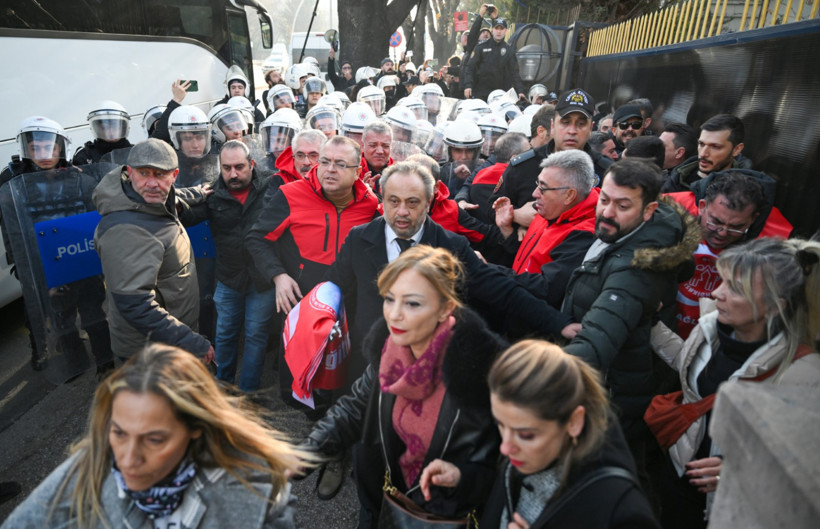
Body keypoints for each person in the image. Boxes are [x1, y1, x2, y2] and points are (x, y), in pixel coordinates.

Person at [304, 245, 506, 528]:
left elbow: (503, 464)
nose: (394, 315)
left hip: (445, 514)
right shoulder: (388, 350)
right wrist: (305, 452)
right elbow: (355, 407)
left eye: (412, 304)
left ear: (445, 309)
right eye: (389, 299)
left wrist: (461, 477)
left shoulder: (485, 374)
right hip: (387, 502)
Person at [325, 161, 576, 387]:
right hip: (366, 365)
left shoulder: (450, 245)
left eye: (412, 202)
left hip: (427, 370)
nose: (402, 211)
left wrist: (559, 323)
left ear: (428, 203)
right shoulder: (359, 239)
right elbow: (334, 293)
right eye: (393, 201)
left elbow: (500, 289)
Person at [1, 343, 305, 529]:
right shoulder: (92, 463)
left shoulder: (254, 493)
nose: (127, 459)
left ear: (196, 428)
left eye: (154, 440)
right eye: (119, 433)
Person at [648, 237, 820, 528]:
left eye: (735, 288)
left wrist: (741, 472)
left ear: (774, 307)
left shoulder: (805, 375)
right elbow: (688, 363)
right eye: (722, 281)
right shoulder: (711, 326)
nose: (716, 293)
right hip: (678, 482)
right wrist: (651, 325)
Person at [560, 160, 699, 471]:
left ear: (649, 211)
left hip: (610, 400)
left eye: (622, 206)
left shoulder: (637, 267)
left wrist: (543, 380)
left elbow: (598, 337)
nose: (607, 212)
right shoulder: (623, 234)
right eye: (604, 199)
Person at [481, 340, 659, 528]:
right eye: (500, 424)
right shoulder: (523, 458)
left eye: (526, 435)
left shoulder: (620, 510)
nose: (505, 447)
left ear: (574, 422)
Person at [93, 139, 214, 362]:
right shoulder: (127, 231)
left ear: (174, 176)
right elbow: (135, 303)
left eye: (160, 174)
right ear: (129, 173)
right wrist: (189, 341)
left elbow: (171, 195)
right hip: (150, 354)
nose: (151, 183)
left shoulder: (141, 199)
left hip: (167, 341)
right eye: (143, 173)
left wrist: (197, 193)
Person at [178, 141, 276, 392]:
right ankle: (223, 390)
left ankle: (249, 393)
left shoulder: (272, 185)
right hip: (229, 277)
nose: (233, 174)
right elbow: (185, 215)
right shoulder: (212, 193)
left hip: (263, 278)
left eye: (239, 167)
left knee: (255, 335)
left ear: (252, 164)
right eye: (227, 168)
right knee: (224, 334)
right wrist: (182, 197)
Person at [490, 89, 613, 230]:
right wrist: (515, 215)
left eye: (580, 124)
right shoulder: (524, 165)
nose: (572, 131)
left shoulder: (606, 172)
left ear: (591, 128)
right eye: (565, 122)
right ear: (553, 125)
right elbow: (491, 208)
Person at [494, 150, 598, 309]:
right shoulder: (550, 211)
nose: (535, 193)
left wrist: (490, 271)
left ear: (569, 195)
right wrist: (507, 230)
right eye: (538, 184)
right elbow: (529, 259)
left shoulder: (584, 235)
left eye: (543, 188)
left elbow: (547, 288)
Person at [663, 114, 746, 193]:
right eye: (701, 144)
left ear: (736, 149)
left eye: (715, 147)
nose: (703, 153)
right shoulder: (674, 179)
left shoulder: (742, 192)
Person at [463, 18, 525, 102]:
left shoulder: (509, 50)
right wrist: (468, 86)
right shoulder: (481, 47)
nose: (499, 31)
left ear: (506, 31)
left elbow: (514, 73)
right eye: (496, 28)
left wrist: (520, 91)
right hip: (480, 93)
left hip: (501, 95)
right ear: (492, 30)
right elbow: (470, 67)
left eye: (501, 29)